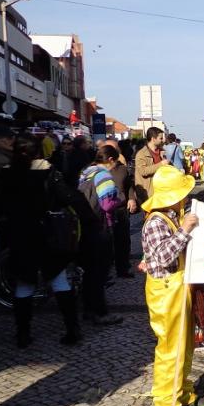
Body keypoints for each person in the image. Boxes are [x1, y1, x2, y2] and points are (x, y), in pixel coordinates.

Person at [0, 133, 92, 347]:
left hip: (20, 235)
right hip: (48, 234)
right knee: (59, 280)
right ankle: (72, 330)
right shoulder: (47, 172)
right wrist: (89, 218)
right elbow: (68, 196)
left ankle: (22, 334)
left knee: (24, 284)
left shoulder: (7, 174)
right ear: (38, 151)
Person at [140, 164, 204, 406]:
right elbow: (164, 255)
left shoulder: (170, 215)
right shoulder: (156, 221)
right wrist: (185, 229)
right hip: (167, 291)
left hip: (179, 287)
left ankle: (183, 394)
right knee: (171, 350)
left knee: (186, 345)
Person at [77, 146, 124, 326]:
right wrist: (120, 199)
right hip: (100, 226)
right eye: (116, 162)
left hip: (85, 226)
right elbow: (107, 205)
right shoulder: (103, 175)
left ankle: (88, 309)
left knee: (90, 272)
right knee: (99, 272)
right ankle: (100, 312)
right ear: (110, 160)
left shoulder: (86, 173)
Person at [98, 138, 138, 278]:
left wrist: (132, 199)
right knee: (106, 243)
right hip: (104, 211)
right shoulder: (97, 169)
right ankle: (106, 271)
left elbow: (129, 185)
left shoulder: (122, 168)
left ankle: (123, 268)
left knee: (123, 241)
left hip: (120, 209)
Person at [134, 127, 167, 207]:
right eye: (160, 138)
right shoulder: (142, 154)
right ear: (153, 139)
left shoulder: (162, 152)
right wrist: (161, 164)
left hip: (161, 191)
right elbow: (143, 171)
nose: (163, 140)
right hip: (149, 193)